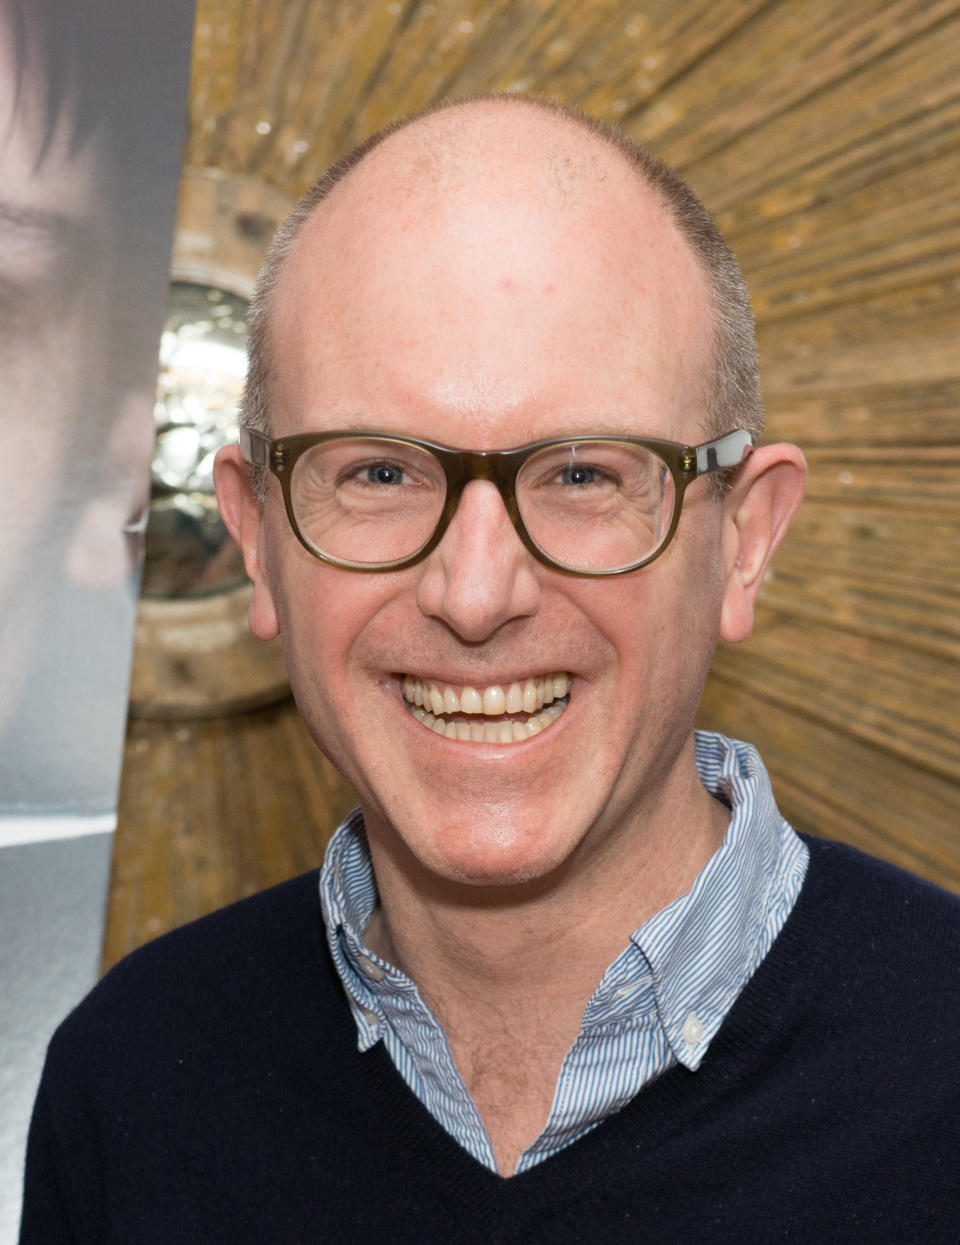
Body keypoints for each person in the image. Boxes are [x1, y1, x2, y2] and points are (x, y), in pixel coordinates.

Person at [20, 95, 960, 1243]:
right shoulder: (129, 1087)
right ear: (257, 540)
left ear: (745, 540)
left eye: (581, 475)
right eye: (376, 474)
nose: (475, 594)